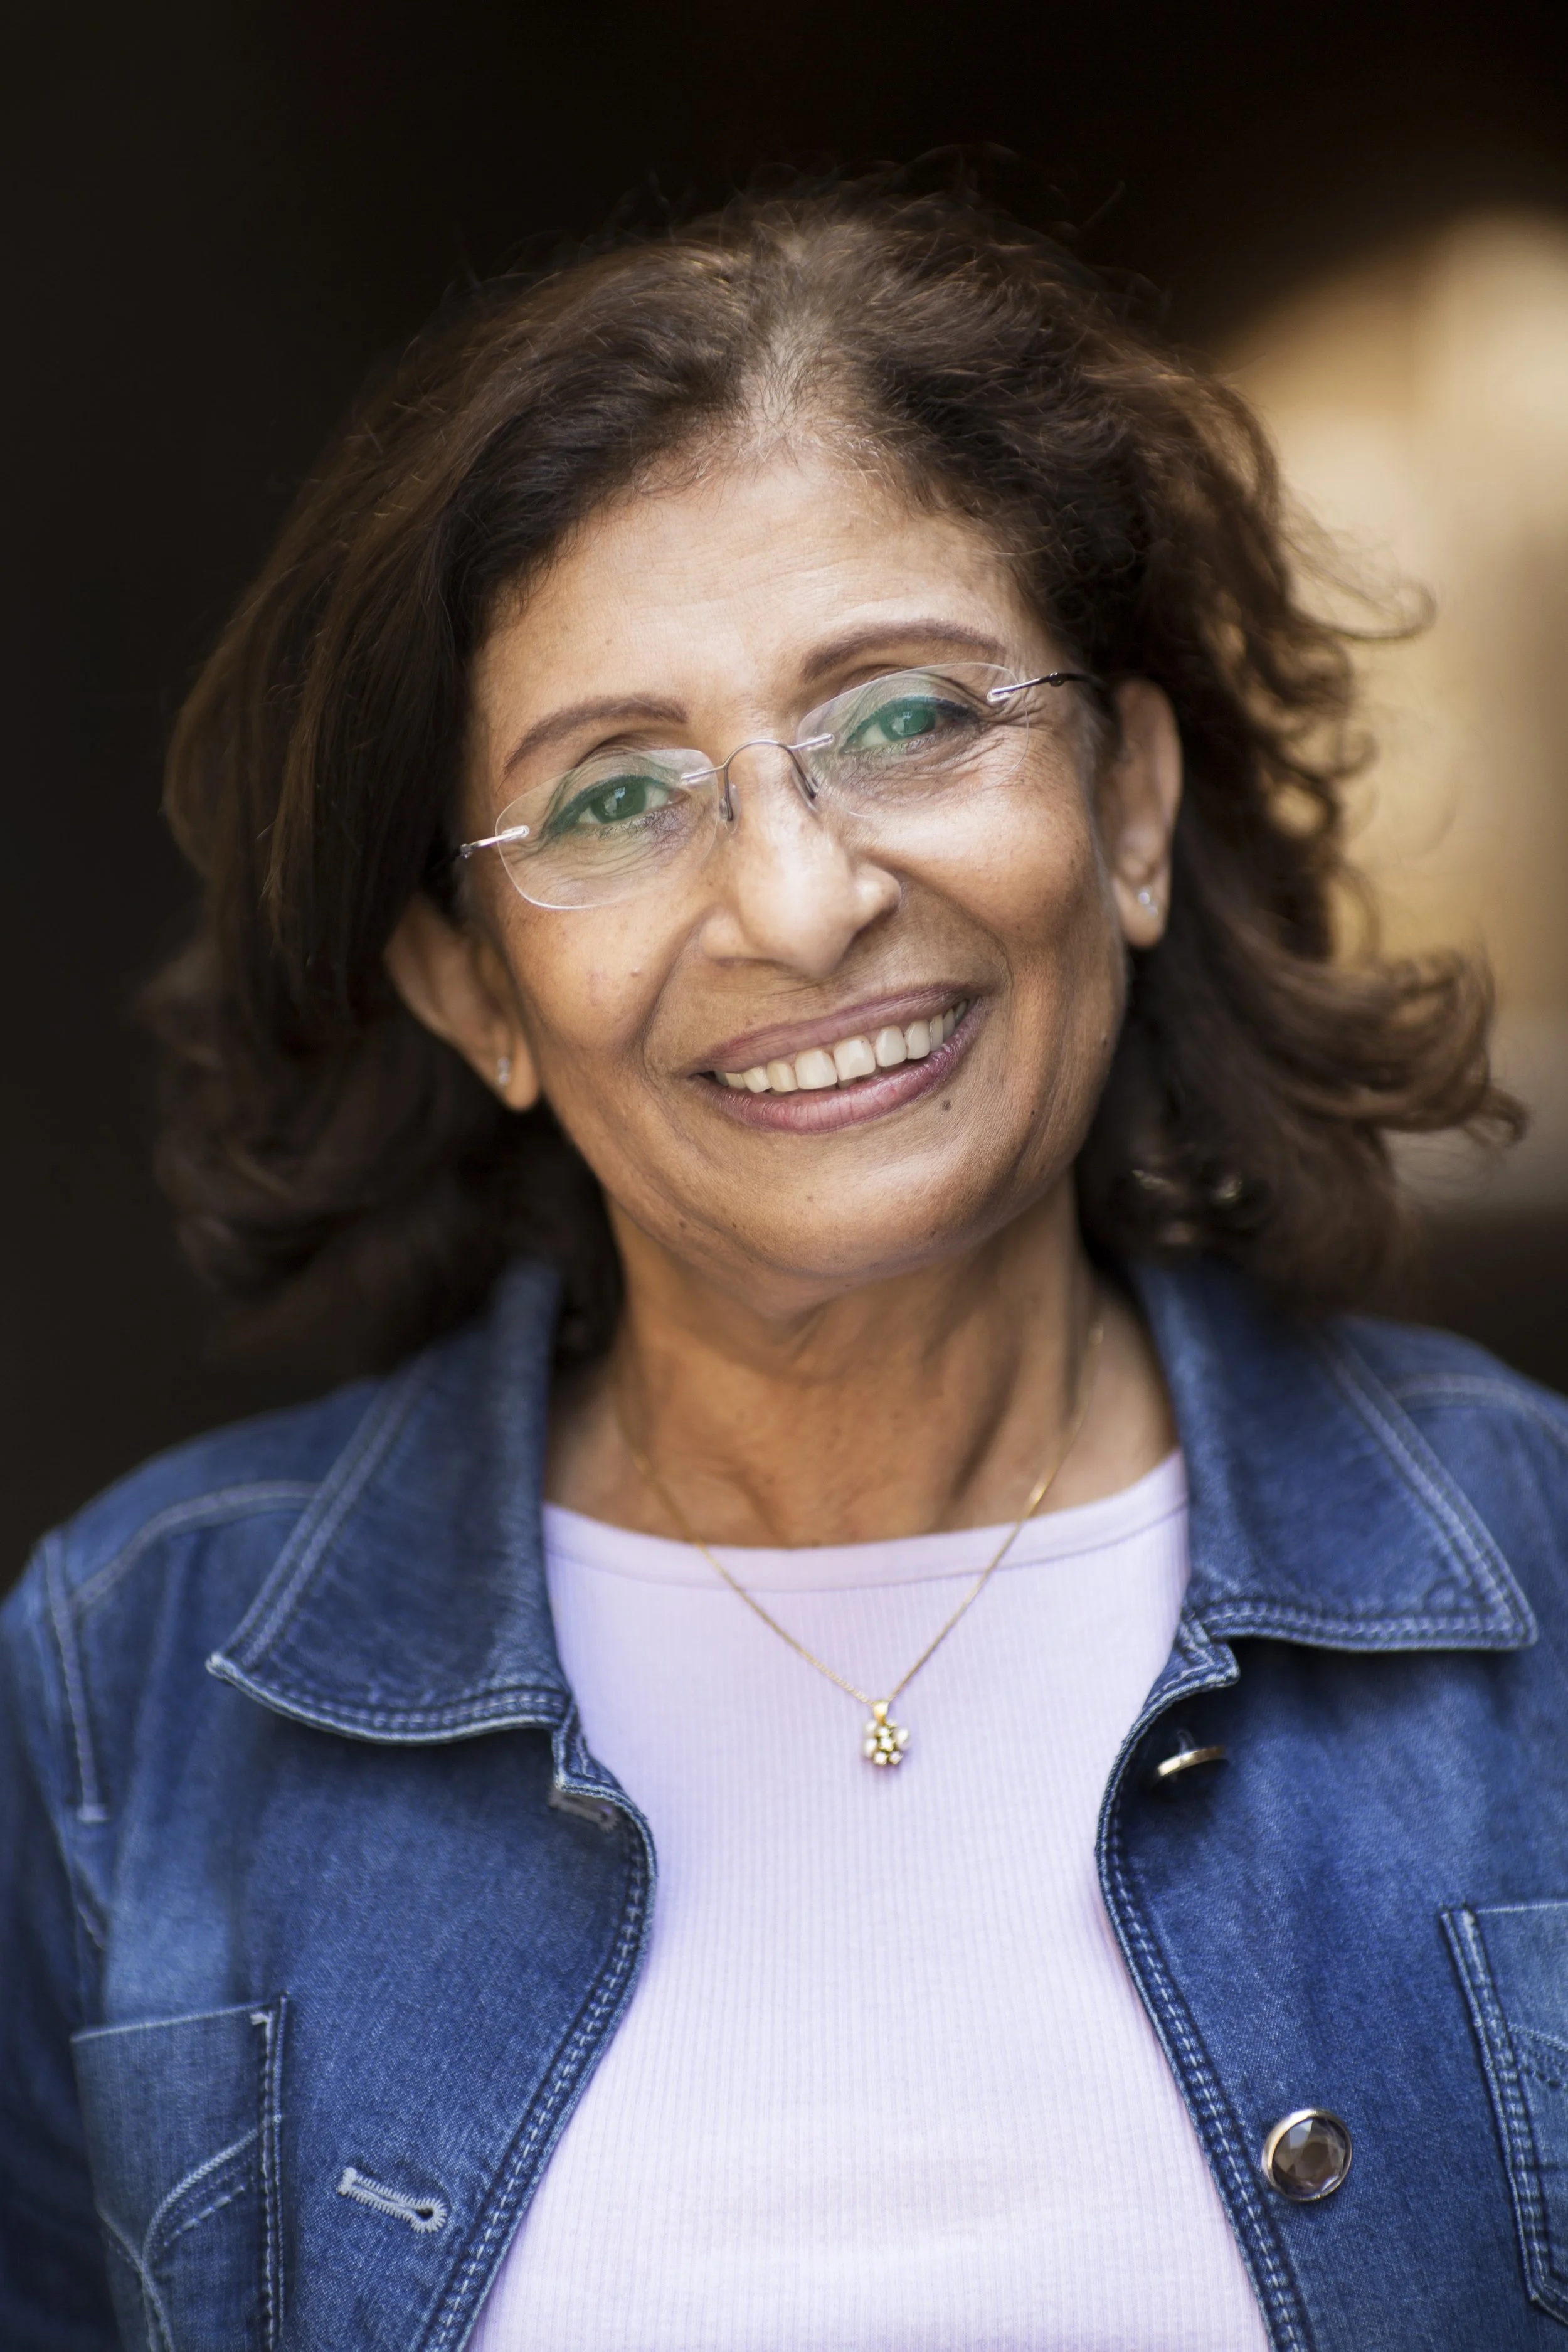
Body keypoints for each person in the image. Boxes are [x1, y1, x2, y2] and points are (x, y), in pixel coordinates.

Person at [3, 183, 1565, 2352]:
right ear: (473, 990)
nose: (799, 898)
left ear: (1124, 806)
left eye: (909, 718)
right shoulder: (127, 1691)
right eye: (614, 795)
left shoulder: (1539, 1591)